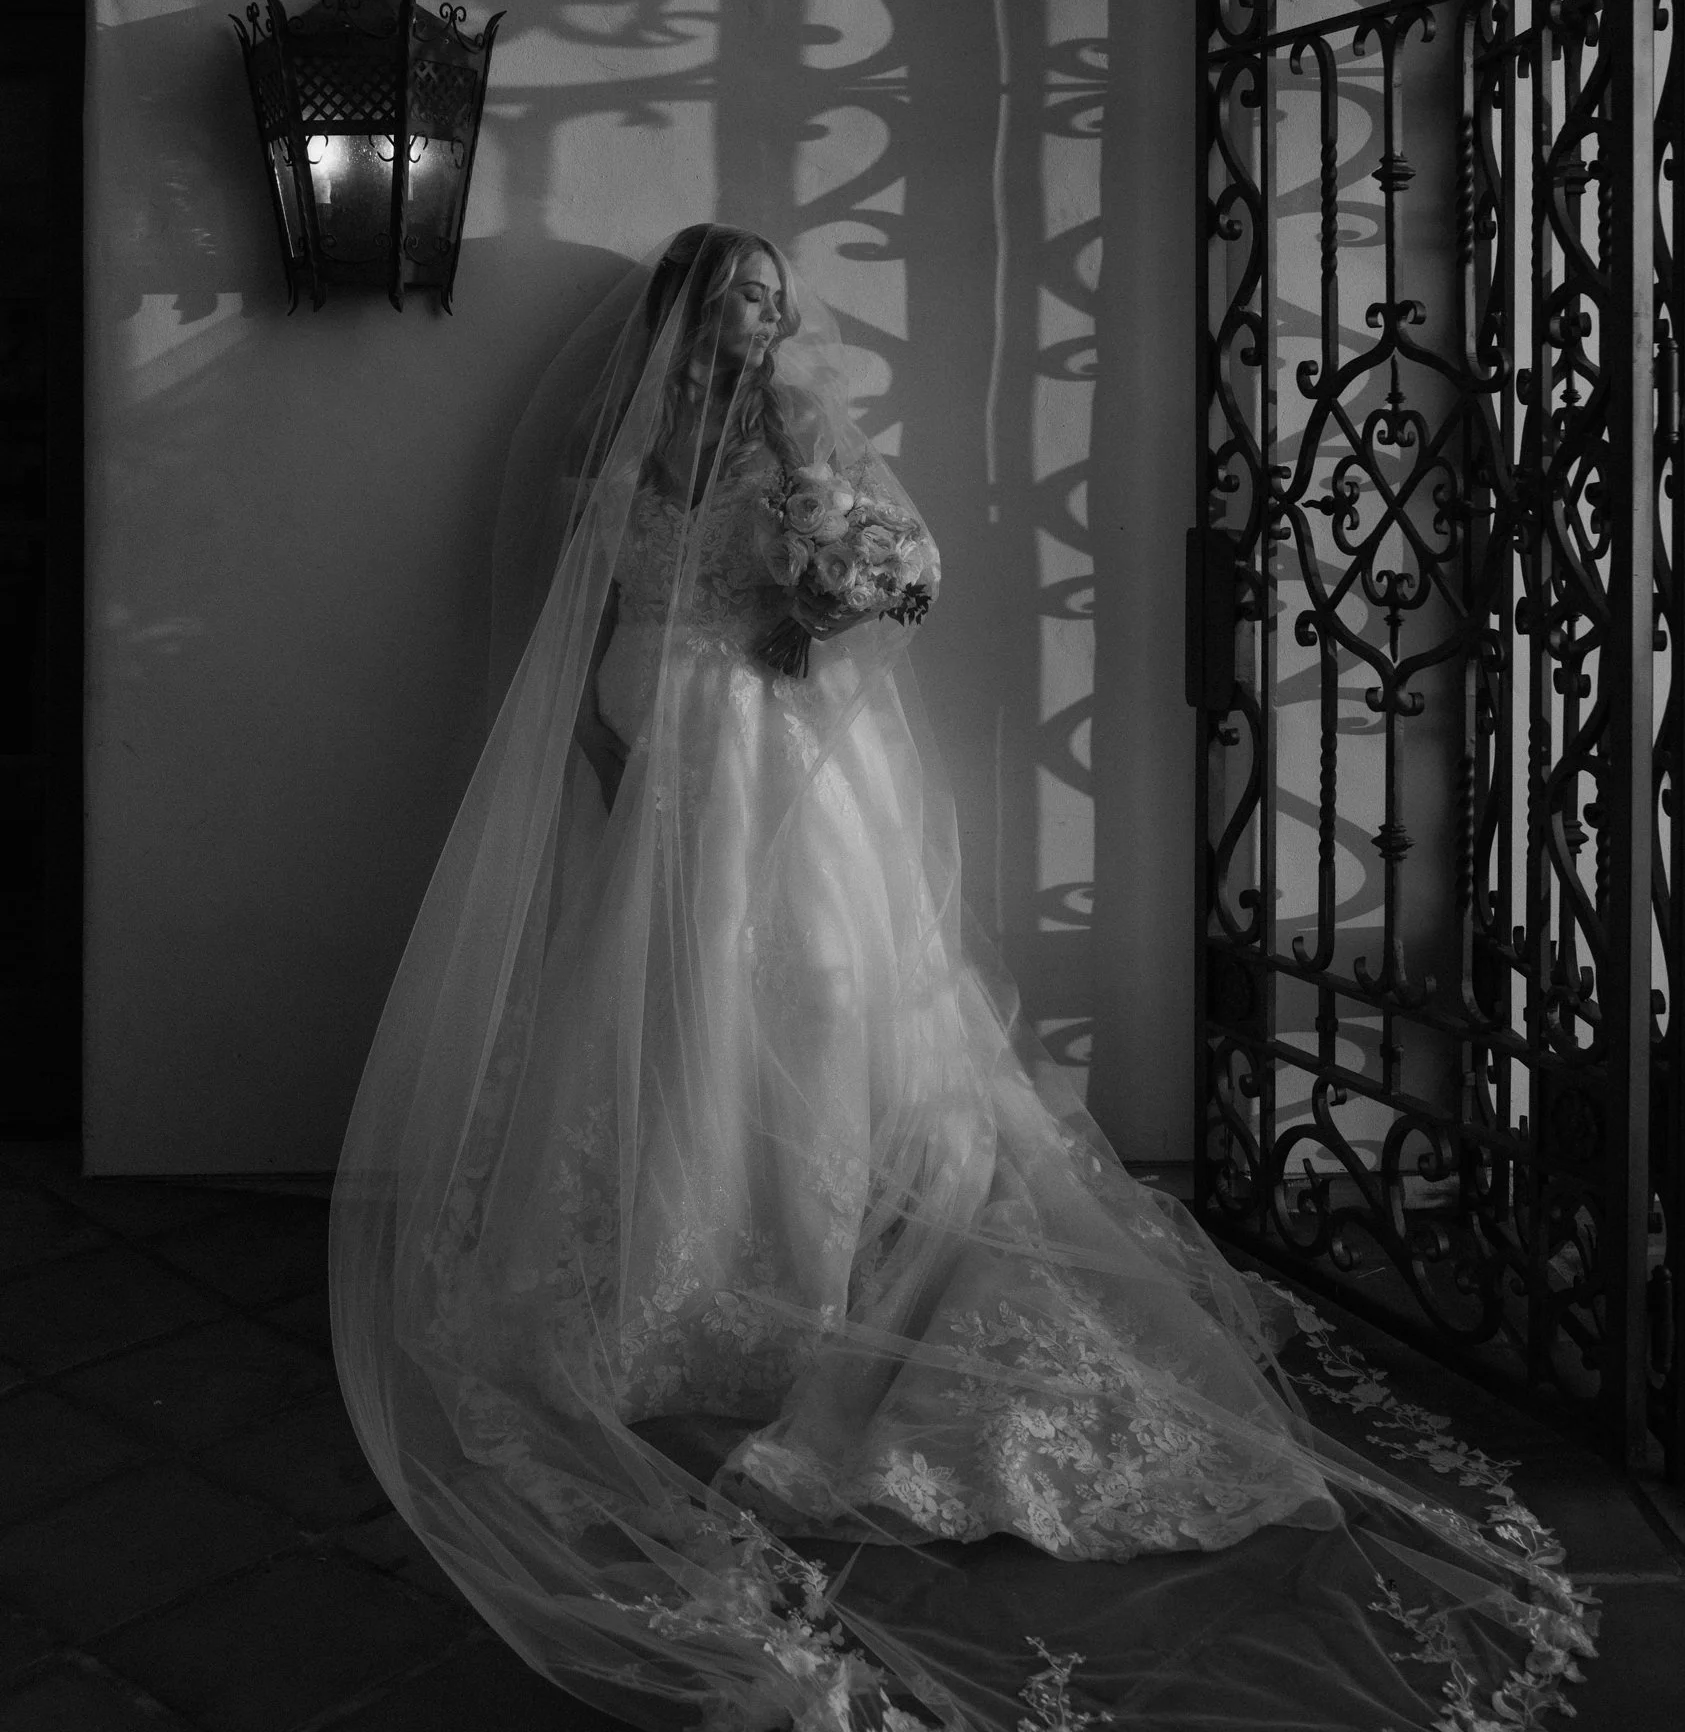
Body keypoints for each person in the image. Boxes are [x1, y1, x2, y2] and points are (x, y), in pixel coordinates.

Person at [330, 224, 1593, 1731]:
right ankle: (667, 1240)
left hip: (777, 760)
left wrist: (825, 600)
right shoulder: (611, 452)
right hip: (664, 758)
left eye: (769, 299)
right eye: (731, 296)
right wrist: (612, 752)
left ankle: (804, 1236)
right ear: (681, 309)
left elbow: (885, 567)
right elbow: (587, 623)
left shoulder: (800, 432)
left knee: (810, 984)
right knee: (666, 1004)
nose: (752, 320)